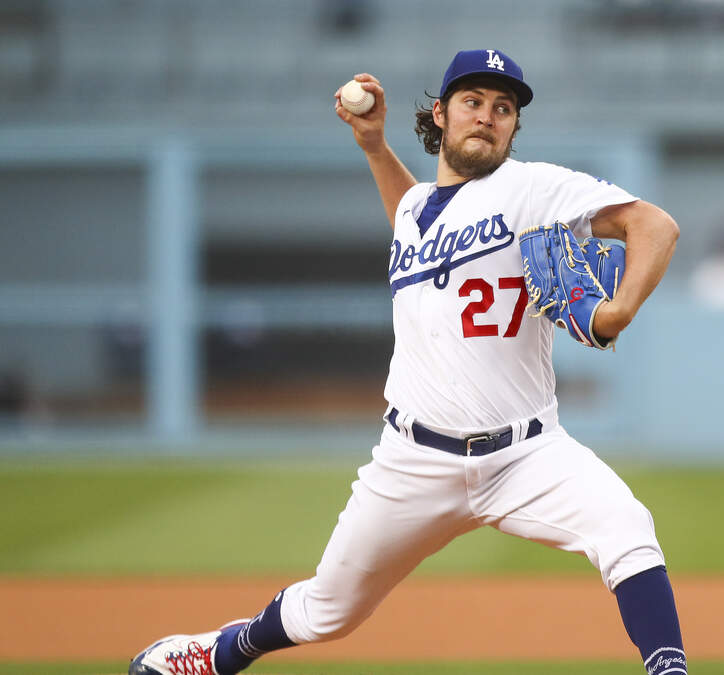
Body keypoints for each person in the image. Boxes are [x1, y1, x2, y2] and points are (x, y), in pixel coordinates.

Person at [129, 48, 686, 675]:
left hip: (527, 453)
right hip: (414, 460)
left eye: (503, 108)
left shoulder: (532, 188)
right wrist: (374, 147)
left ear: (513, 127)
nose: (487, 116)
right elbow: (412, 224)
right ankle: (218, 652)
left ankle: (669, 670)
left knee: (626, 528)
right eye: (472, 102)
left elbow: (655, 226)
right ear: (440, 115)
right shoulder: (418, 208)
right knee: (327, 612)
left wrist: (617, 311)